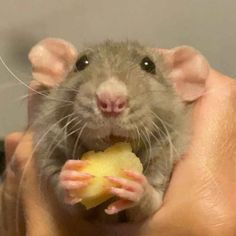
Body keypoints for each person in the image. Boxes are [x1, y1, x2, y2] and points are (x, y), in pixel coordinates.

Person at [1, 68, 236, 236]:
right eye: (83, 64)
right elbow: (71, 206)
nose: (110, 98)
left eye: (147, 66)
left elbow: (156, 200)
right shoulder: (58, 137)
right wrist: (67, 187)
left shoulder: (169, 142)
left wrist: (143, 196)